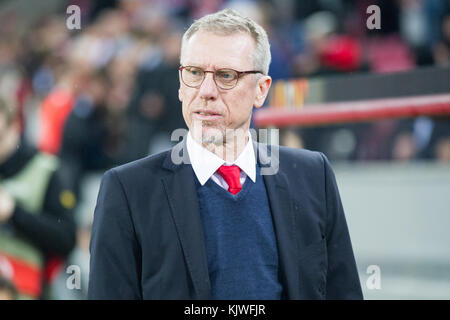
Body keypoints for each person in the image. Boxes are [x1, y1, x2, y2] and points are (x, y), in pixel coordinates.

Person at [88, 9, 363, 300]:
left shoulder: (312, 175)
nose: (206, 90)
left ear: (261, 90)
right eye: (194, 73)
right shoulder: (128, 190)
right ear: (181, 85)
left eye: (226, 75)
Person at [0, 97, 76, 299]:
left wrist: (14, 213)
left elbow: (66, 238)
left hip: (25, 288)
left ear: (15, 126)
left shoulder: (45, 169)